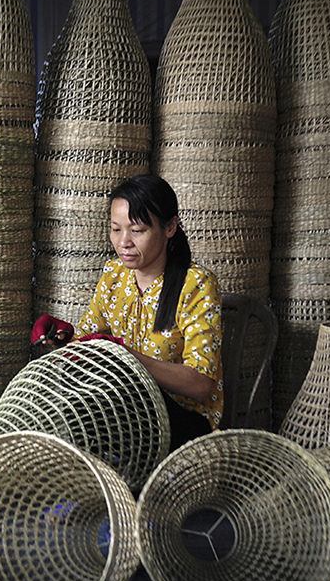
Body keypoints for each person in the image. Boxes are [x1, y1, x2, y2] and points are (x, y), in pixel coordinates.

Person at [33, 173, 223, 449]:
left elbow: (200, 384)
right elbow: (89, 337)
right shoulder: (114, 276)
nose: (124, 242)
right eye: (115, 229)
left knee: (95, 410)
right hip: (128, 409)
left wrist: (125, 356)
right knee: (68, 395)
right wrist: (63, 338)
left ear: (170, 227)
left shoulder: (195, 285)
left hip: (184, 423)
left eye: (137, 230)